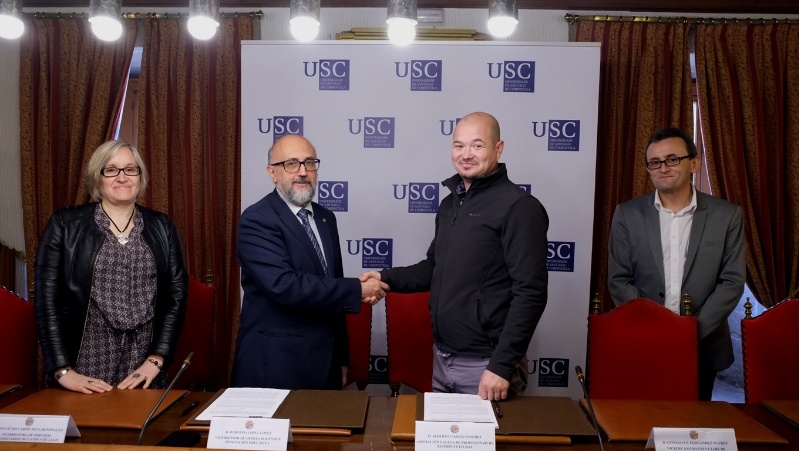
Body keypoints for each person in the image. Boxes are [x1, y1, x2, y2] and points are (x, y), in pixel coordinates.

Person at [360, 112, 549, 401]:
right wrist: (385, 277)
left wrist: (501, 366)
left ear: (498, 149)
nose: (466, 154)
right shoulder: (450, 204)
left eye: (477, 145)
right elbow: (434, 268)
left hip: (487, 367)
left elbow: (531, 293)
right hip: (442, 358)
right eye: (459, 145)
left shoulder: (520, 208)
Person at [231, 134, 388, 390]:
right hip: (276, 366)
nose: (303, 172)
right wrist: (357, 289)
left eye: (310, 163)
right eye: (291, 163)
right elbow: (285, 286)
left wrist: (341, 357)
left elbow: (333, 291)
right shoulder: (257, 219)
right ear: (272, 173)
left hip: (325, 364)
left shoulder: (326, 218)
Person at [35, 140, 188, 394]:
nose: (122, 177)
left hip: (143, 365)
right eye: (111, 169)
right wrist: (62, 370)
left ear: (140, 176)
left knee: (144, 420)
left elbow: (176, 297)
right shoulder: (65, 224)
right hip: (84, 364)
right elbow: (46, 301)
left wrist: (156, 359)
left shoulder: (162, 226)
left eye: (130, 169)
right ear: (97, 178)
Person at [607, 127, 746, 400]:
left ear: (694, 163)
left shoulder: (727, 216)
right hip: (643, 341)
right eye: (655, 162)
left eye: (672, 159)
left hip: (702, 345)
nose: (663, 168)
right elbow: (618, 279)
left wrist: (689, 333)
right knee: (639, 420)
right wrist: (654, 328)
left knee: (693, 424)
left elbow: (731, 282)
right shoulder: (627, 214)